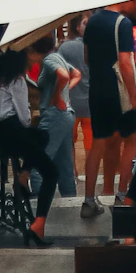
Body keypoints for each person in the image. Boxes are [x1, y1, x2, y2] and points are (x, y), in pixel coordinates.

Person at [0, 45, 58, 242]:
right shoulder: (17, 80)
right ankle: (38, 225)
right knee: (52, 172)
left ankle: (24, 174)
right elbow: (24, 120)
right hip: (12, 133)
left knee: (42, 136)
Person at [80, 0, 136, 217]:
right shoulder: (122, 23)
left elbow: (86, 57)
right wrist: (134, 96)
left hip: (96, 90)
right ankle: (122, 194)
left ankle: (88, 200)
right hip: (118, 91)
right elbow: (125, 61)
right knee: (131, 139)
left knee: (98, 143)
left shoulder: (91, 22)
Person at [32, 29, 82, 201]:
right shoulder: (57, 55)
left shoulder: (49, 59)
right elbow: (76, 74)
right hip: (66, 113)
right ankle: (71, 201)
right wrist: (65, 92)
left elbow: (64, 75)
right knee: (65, 164)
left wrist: (57, 95)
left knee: (39, 162)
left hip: (54, 114)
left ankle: (38, 204)